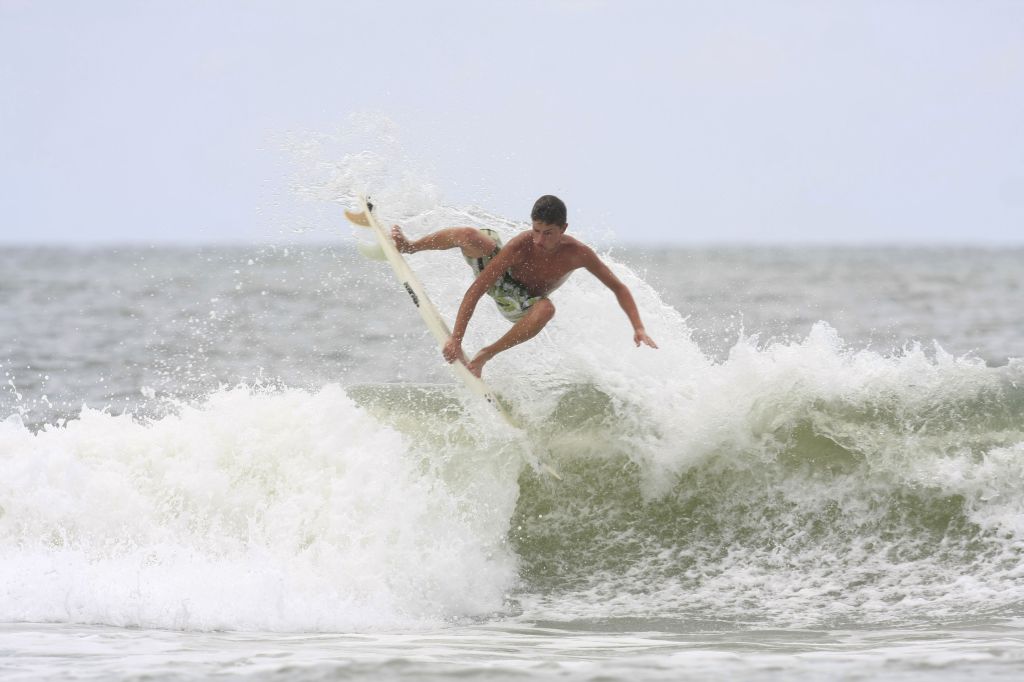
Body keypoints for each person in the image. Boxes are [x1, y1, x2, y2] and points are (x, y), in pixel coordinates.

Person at [391, 195, 658, 377]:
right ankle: (410, 246)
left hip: (522, 301)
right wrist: (457, 338)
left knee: (547, 309)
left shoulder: (579, 254)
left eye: (548, 233)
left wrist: (638, 326)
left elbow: (619, 288)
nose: (539, 240)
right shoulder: (521, 245)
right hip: (499, 282)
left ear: (563, 228)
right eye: (536, 230)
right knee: (471, 236)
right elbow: (479, 288)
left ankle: (486, 354)